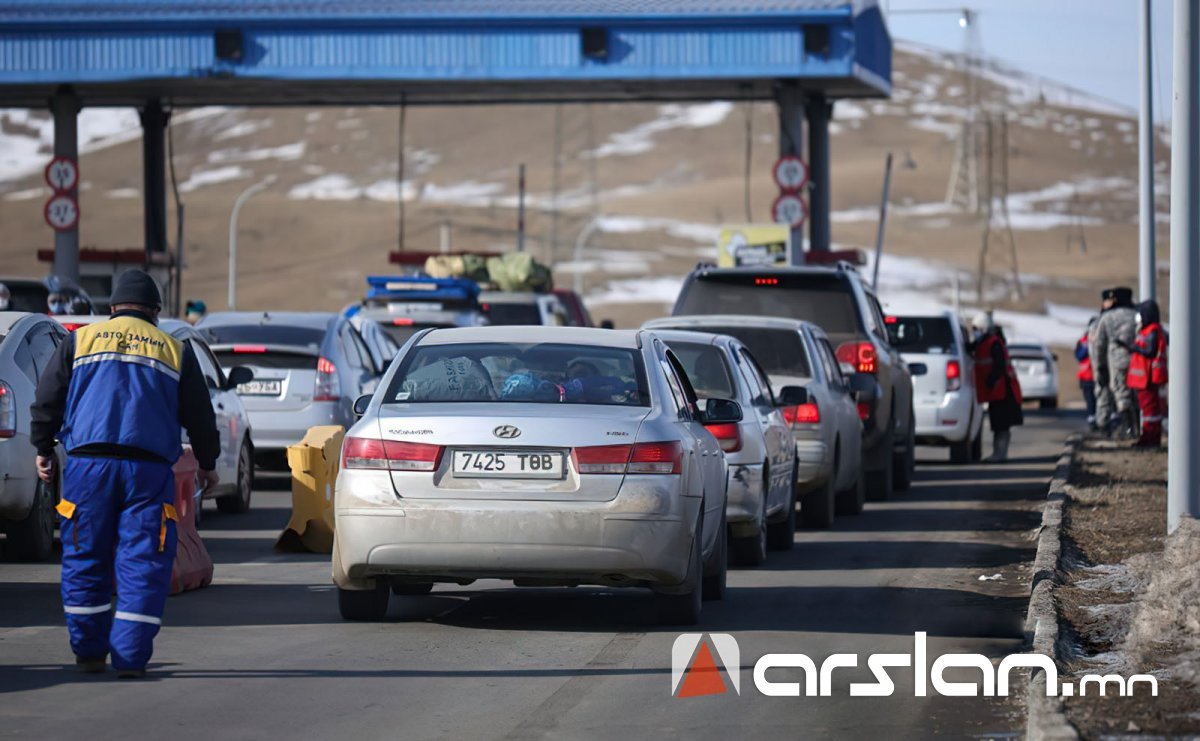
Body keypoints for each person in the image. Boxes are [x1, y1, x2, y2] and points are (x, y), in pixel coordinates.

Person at [29, 270, 220, 678]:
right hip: (147, 473)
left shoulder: (78, 340)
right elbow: (200, 417)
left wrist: (43, 450)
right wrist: (208, 464)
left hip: (86, 469)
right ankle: (131, 659)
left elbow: (47, 399)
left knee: (84, 557)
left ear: (112, 308)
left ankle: (88, 651)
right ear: (154, 311)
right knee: (143, 562)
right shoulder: (174, 349)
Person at [970, 312, 1023, 462]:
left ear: (984, 328)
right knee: (999, 423)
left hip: (1003, 391)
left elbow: (999, 366)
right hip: (997, 391)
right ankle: (999, 454)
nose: (975, 331)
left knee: (1001, 424)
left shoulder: (994, 343)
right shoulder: (986, 341)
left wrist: (991, 380)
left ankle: (1000, 454)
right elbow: (973, 348)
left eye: (976, 328)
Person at [1090, 286, 1138, 438]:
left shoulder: (1108, 317)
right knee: (1136, 394)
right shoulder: (1137, 315)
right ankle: (1135, 426)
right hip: (1138, 359)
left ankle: (1126, 427)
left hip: (1117, 360)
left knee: (1120, 391)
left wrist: (1100, 367)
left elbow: (1099, 344)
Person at [1124, 299, 1168, 449]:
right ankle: (1148, 438)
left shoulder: (1153, 331)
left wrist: (1134, 349)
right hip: (1143, 379)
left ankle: (1151, 439)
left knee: (1150, 411)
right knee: (1148, 410)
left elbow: (1150, 351)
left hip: (1147, 379)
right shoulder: (1148, 330)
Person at [1075, 318, 1098, 429]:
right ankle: (1091, 417)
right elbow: (1079, 356)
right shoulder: (1083, 341)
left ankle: (1100, 418)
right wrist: (1087, 345)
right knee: (1089, 399)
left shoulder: (1101, 338)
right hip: (1086, 376)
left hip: (1097, 375)